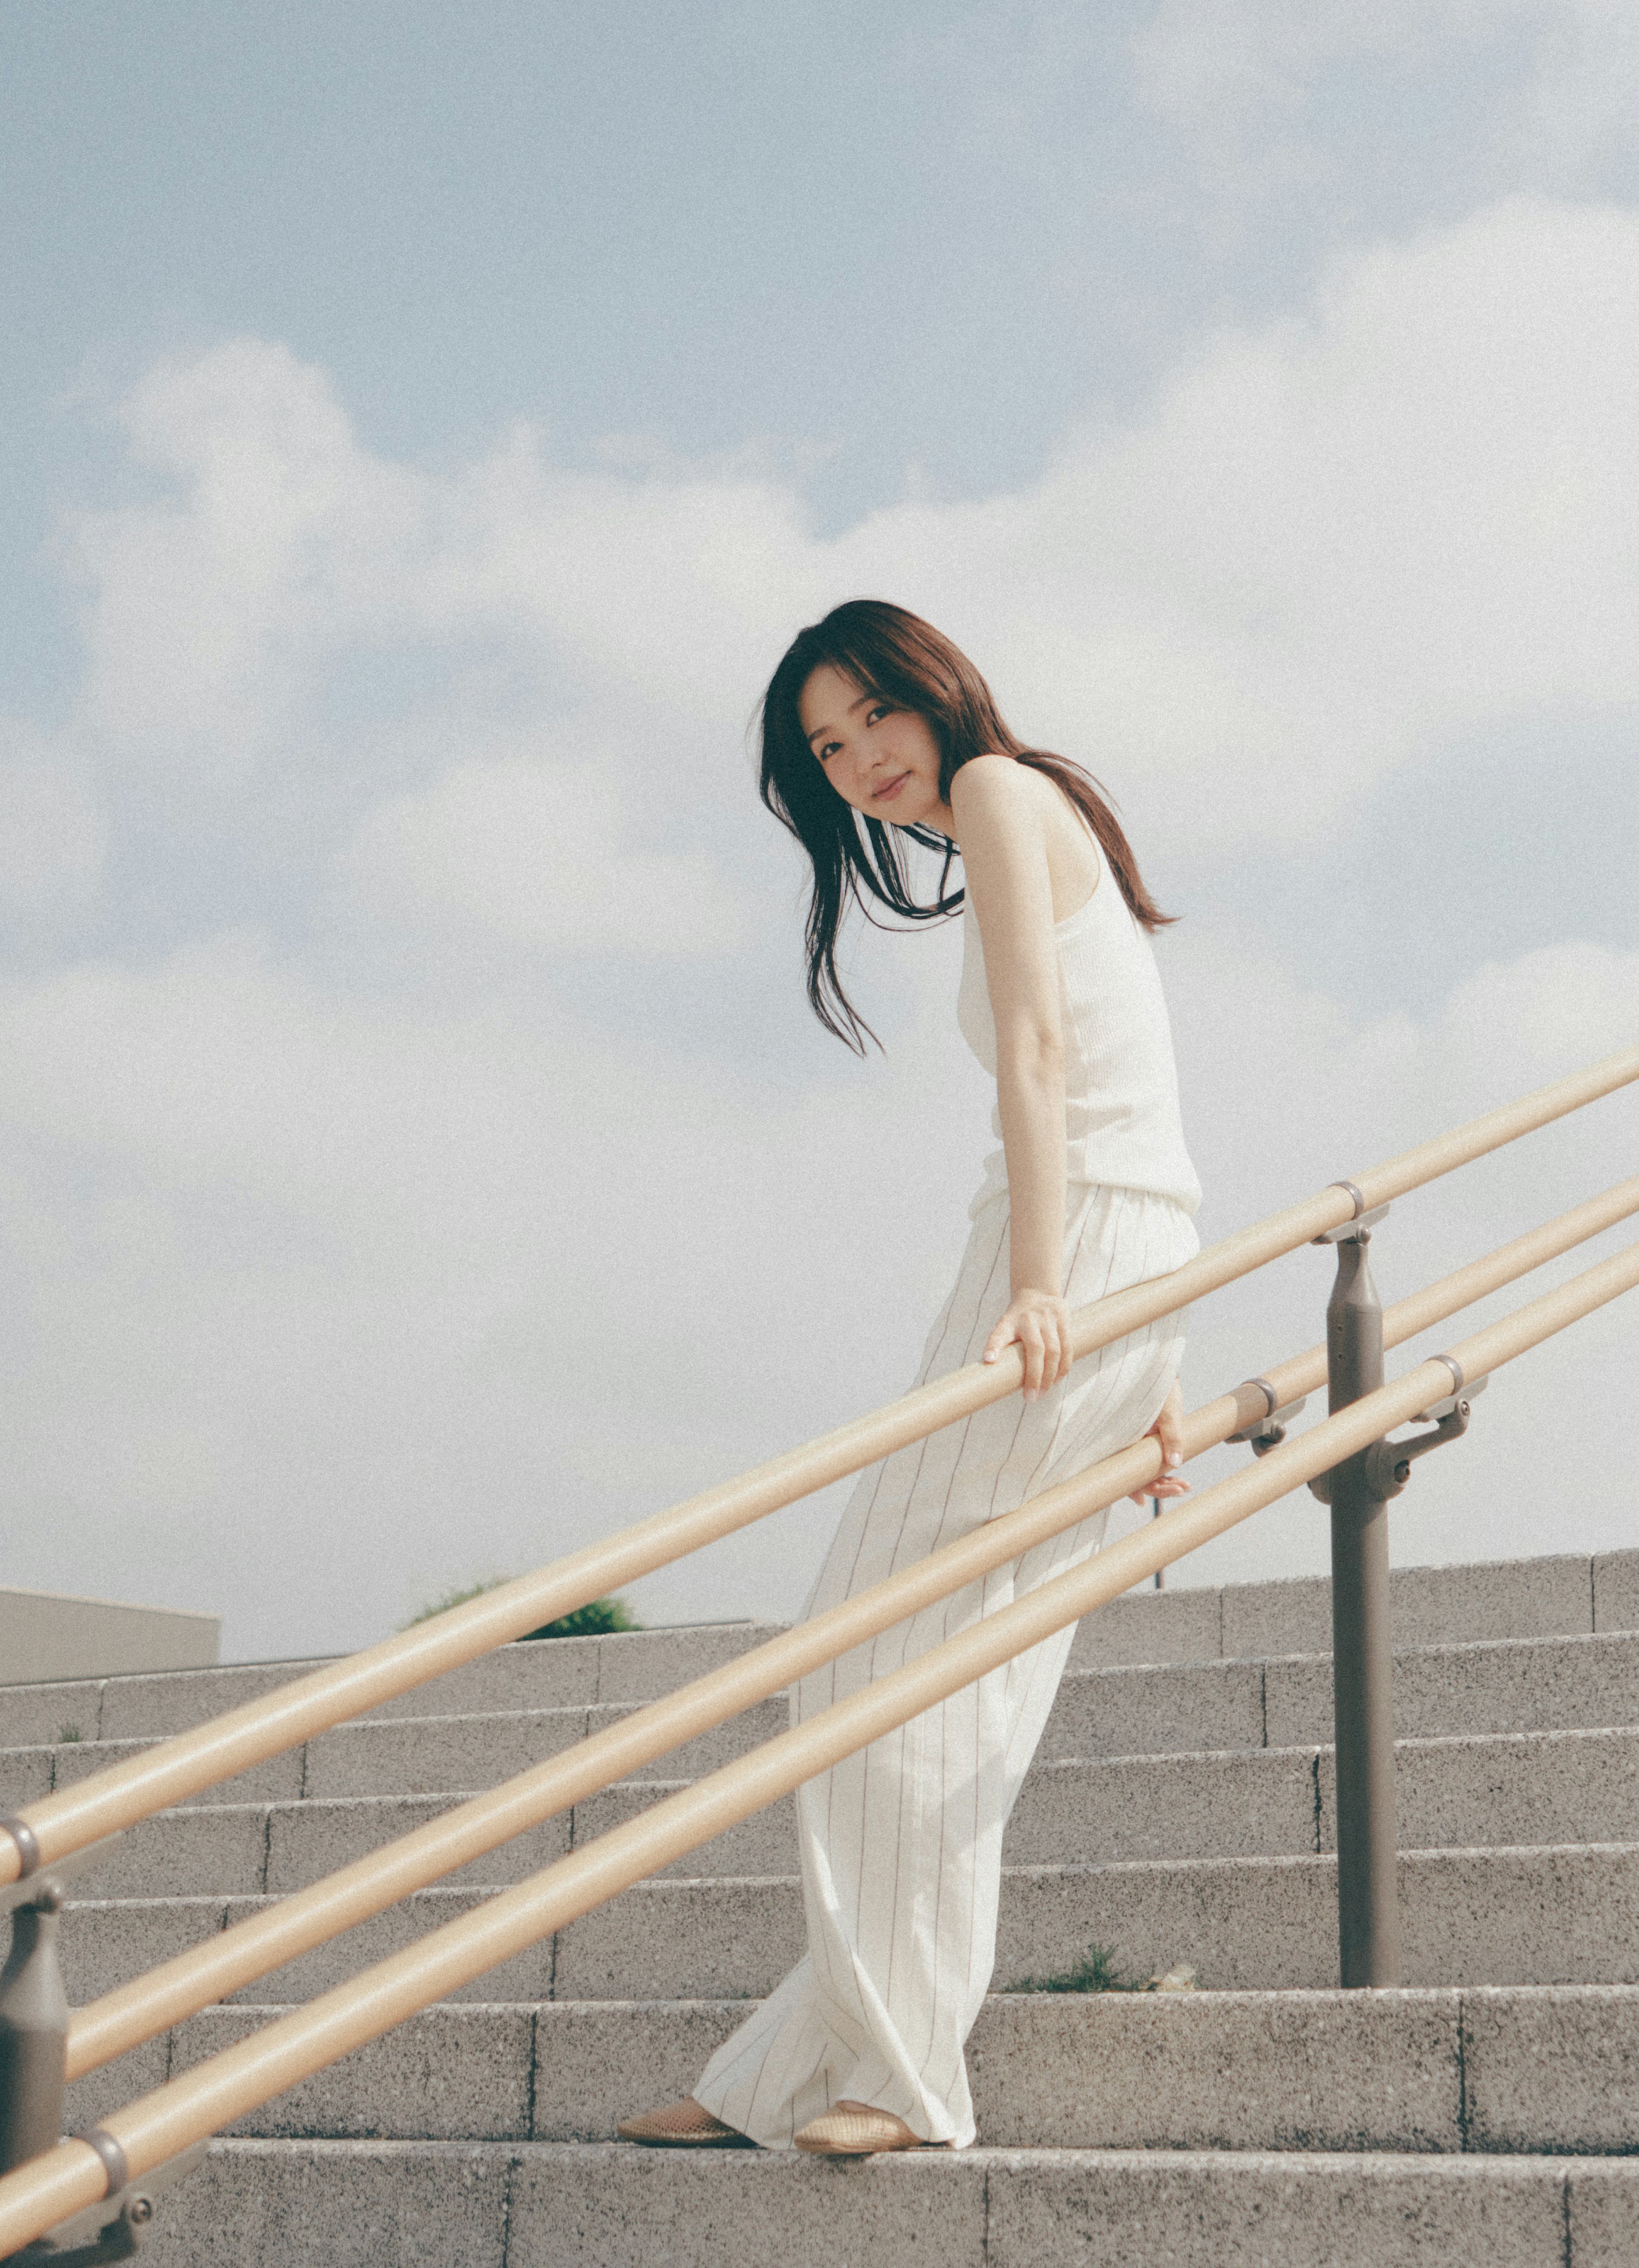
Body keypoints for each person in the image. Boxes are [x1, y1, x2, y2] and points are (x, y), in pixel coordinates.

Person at [618, 599, 1200, 2160]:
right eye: (827, 747)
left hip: (1061, 1245)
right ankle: (796, 2074)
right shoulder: (1031, 809)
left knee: (863, 1655)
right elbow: (1115, 1068)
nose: (861, 759)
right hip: (1116, 1243)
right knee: (950, 1671)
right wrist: (1146, 1347)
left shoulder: (1008, 791)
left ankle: (902, 2074)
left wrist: (1040, 1290)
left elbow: (1041, 1057)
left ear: (936, 689)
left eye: (874, 713)